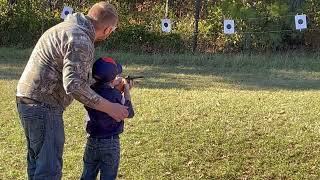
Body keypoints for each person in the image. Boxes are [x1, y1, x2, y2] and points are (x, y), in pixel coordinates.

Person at [16, 2, 129, 179]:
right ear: (108, 30)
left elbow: (77, 75)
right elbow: (74, 85)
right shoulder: (80, 39)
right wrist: (110, 107)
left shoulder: (70, 28)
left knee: (39, 165)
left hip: (29, 101)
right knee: (48, 170)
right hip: (43, 105)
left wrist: (110, 84)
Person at [81, 57, 134, 180]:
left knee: (87, 174)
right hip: (110, 143)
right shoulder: (115, 95)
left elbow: (103, 90)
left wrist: (113, 85)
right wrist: (126, 90)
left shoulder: (90, 92)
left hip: (91, 141)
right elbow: (129, 112)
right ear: (111, 78)